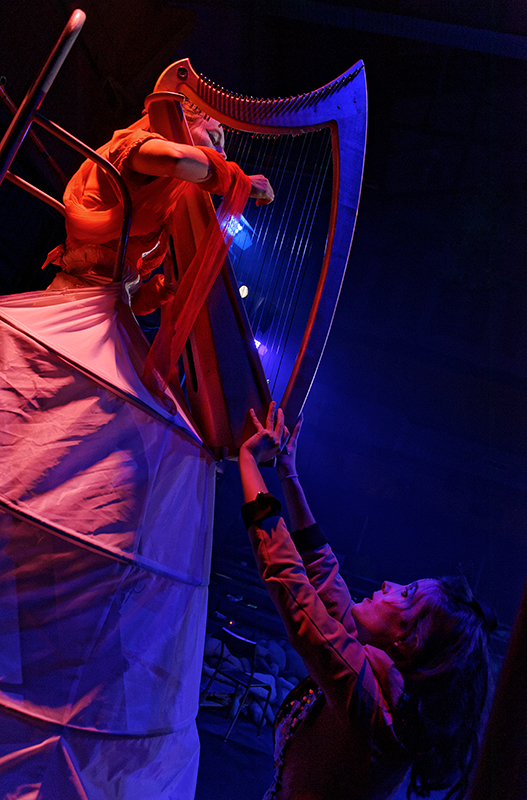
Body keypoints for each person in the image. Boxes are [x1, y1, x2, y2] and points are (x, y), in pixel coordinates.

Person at [238, 402, 495, 800]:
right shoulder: (384, 679)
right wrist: (287, 471)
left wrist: (248, 460)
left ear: (406, 643)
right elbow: (323, 574)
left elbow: (294, 589)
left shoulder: (372, 704)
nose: (390, 584)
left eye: (406, 594)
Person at [44, 100, 274, 400]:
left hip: (105, 318)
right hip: (76, 307)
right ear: (182, 122)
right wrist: (238, 181)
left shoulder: (160, 204)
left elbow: (131, 300)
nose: (222, 153)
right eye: (214, 137)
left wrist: (164, 290)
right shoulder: (134, 145)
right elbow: (176, 159)